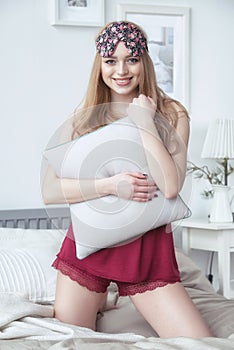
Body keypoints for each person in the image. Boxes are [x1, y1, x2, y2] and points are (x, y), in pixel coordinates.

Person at [42, 21, 212, 338]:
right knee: (71, 341)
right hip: (88, 249)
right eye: (110, 60)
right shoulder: (86, 118)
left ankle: (113, 303)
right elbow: (51, 190)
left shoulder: (173, 113)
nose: (121, 70)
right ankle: (106, 303)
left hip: (148, 254)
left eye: (131, 59)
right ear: (100, 65)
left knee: (201, 343)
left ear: (144, 61)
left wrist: (145, 122)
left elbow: (171, 186)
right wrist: (109, 185)